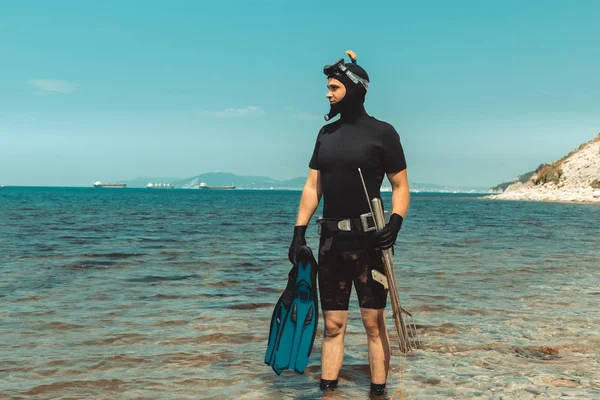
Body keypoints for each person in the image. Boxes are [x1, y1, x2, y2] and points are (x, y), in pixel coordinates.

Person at [288, 51, 410, 397]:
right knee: (332, 324)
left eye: (333, 87)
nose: (328, 94)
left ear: (354, 89)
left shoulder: (383, 134)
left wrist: (396, 222)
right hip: (331, 242)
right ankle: (328, 392)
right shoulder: (325, 135)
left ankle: (378, 392)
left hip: (372, 242)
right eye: (328, 87)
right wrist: (298, 233)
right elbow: (313, 187)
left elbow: (400, 187)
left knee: (374, 323)